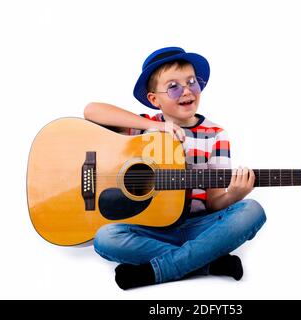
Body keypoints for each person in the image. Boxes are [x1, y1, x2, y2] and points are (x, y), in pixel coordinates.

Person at [84, 47, 267, 290]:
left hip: (198, 227)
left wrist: (236, 193)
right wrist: (154, 127)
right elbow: (91, 111)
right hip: (151, 229)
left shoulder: (215, 136)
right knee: (104, 238)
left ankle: (157, 271)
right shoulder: (142, 128)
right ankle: (209, 263)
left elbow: (214, 203)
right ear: (153, 99)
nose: (187, 90)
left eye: (192, 82)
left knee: (252, 210)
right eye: (173, 86)